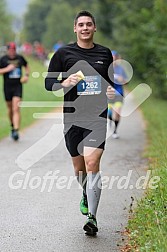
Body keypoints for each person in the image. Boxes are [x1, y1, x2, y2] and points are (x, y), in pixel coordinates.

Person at [45, 11, 115, 236]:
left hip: (97, 117)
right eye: (81, 25)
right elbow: (49, 84)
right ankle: (86, 192)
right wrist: (64, 82)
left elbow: (109, 83)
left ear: (95, 28)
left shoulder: (104, 54)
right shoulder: (63, 53)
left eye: (89, 24)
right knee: (79, 168)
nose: (85, 28)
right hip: (73, 118)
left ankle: (92, 218)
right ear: (75, 28)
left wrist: (111, 92)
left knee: (92, 162)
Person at [0, 42, 30, 141]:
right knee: (10, 109)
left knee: (16, 108)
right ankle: (12, 126)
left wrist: (26, 76)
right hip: (7, 87)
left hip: (18, 86)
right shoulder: (3, 59)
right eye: (10, 50)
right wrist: (7, 69)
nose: (12, 52)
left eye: (14, 50)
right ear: (8, 50)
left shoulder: (20, 58)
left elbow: (26, 65)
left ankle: (16, 131)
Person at [108, 50, 128, 139]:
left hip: (119, 93)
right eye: (111, 57)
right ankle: (110, 121)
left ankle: (115, 131)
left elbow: (126, 82)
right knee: (109, 113)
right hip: (109, 93)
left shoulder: (121, 69)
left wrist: (122, 80)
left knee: (117, 112)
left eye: (114, 57)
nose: (113, 59)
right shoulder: (106, 68)